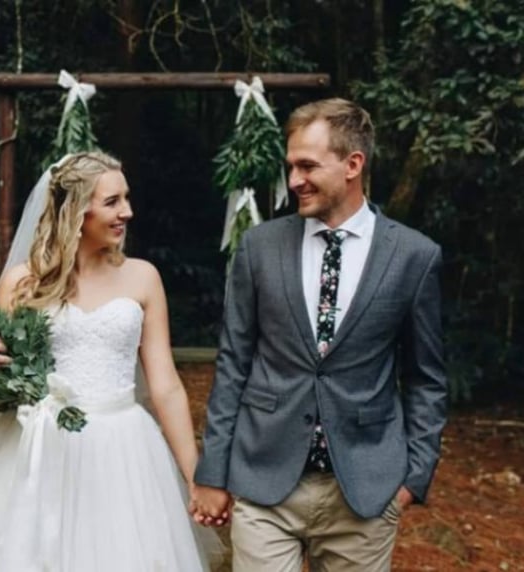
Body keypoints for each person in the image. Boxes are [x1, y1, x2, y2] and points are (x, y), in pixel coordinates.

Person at [0, 152, 219, 571]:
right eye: (112, 202)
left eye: (126, 198)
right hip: (41, 449)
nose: (127, 212)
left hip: (123, 451)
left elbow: (166, 385)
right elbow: (0, 384)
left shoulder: (143, 277)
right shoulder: (23, 283)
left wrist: (194, 476)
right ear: (76, 211)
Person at [192, 98, 448, 571]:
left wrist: (413, 477)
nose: (294, 180)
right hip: (264, 481)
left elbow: (426, 378)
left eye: (307, 166)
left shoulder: (415, 256)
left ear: (353, 164)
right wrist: (212, 471)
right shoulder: (259, 247)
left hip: (365, 492)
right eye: (291, 166)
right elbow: (233, 364)